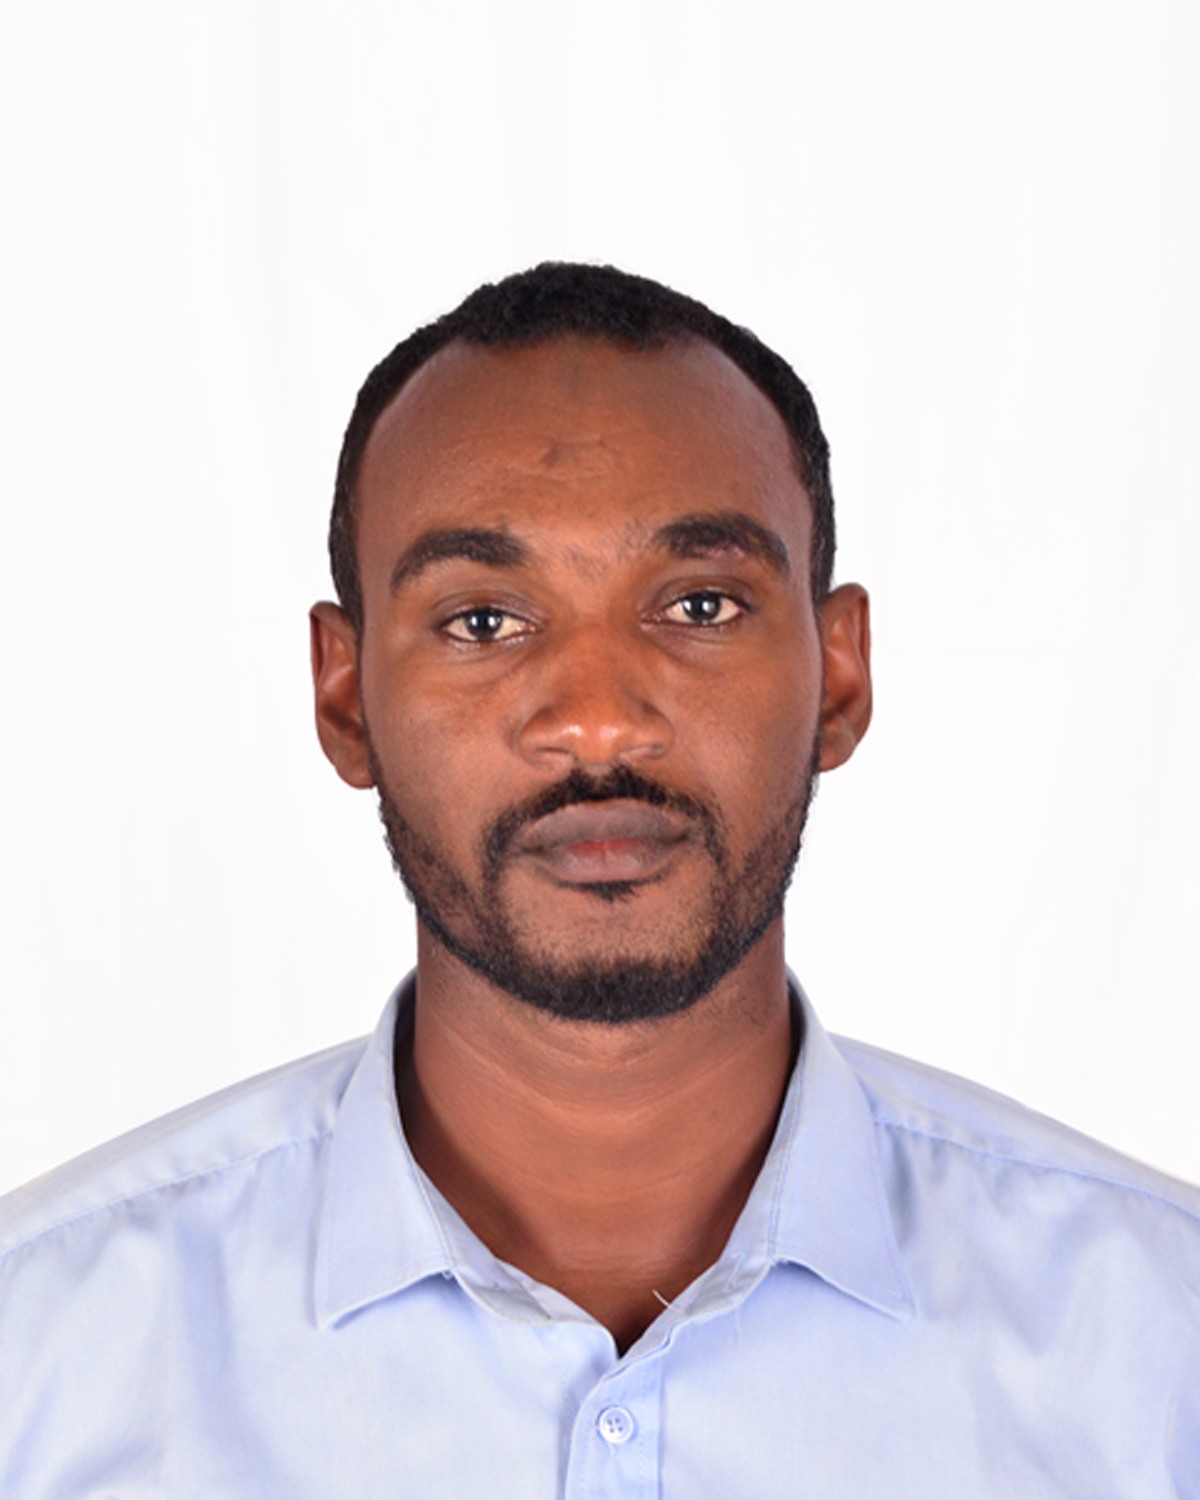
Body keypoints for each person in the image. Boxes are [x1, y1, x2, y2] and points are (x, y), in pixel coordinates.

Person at [1, 263, 1196, 1498]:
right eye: (483, 622)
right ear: (346, 698)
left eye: (699, 604)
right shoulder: (40, 1358)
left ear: (839, 676)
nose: (597, 720)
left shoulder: (1161, 1352)